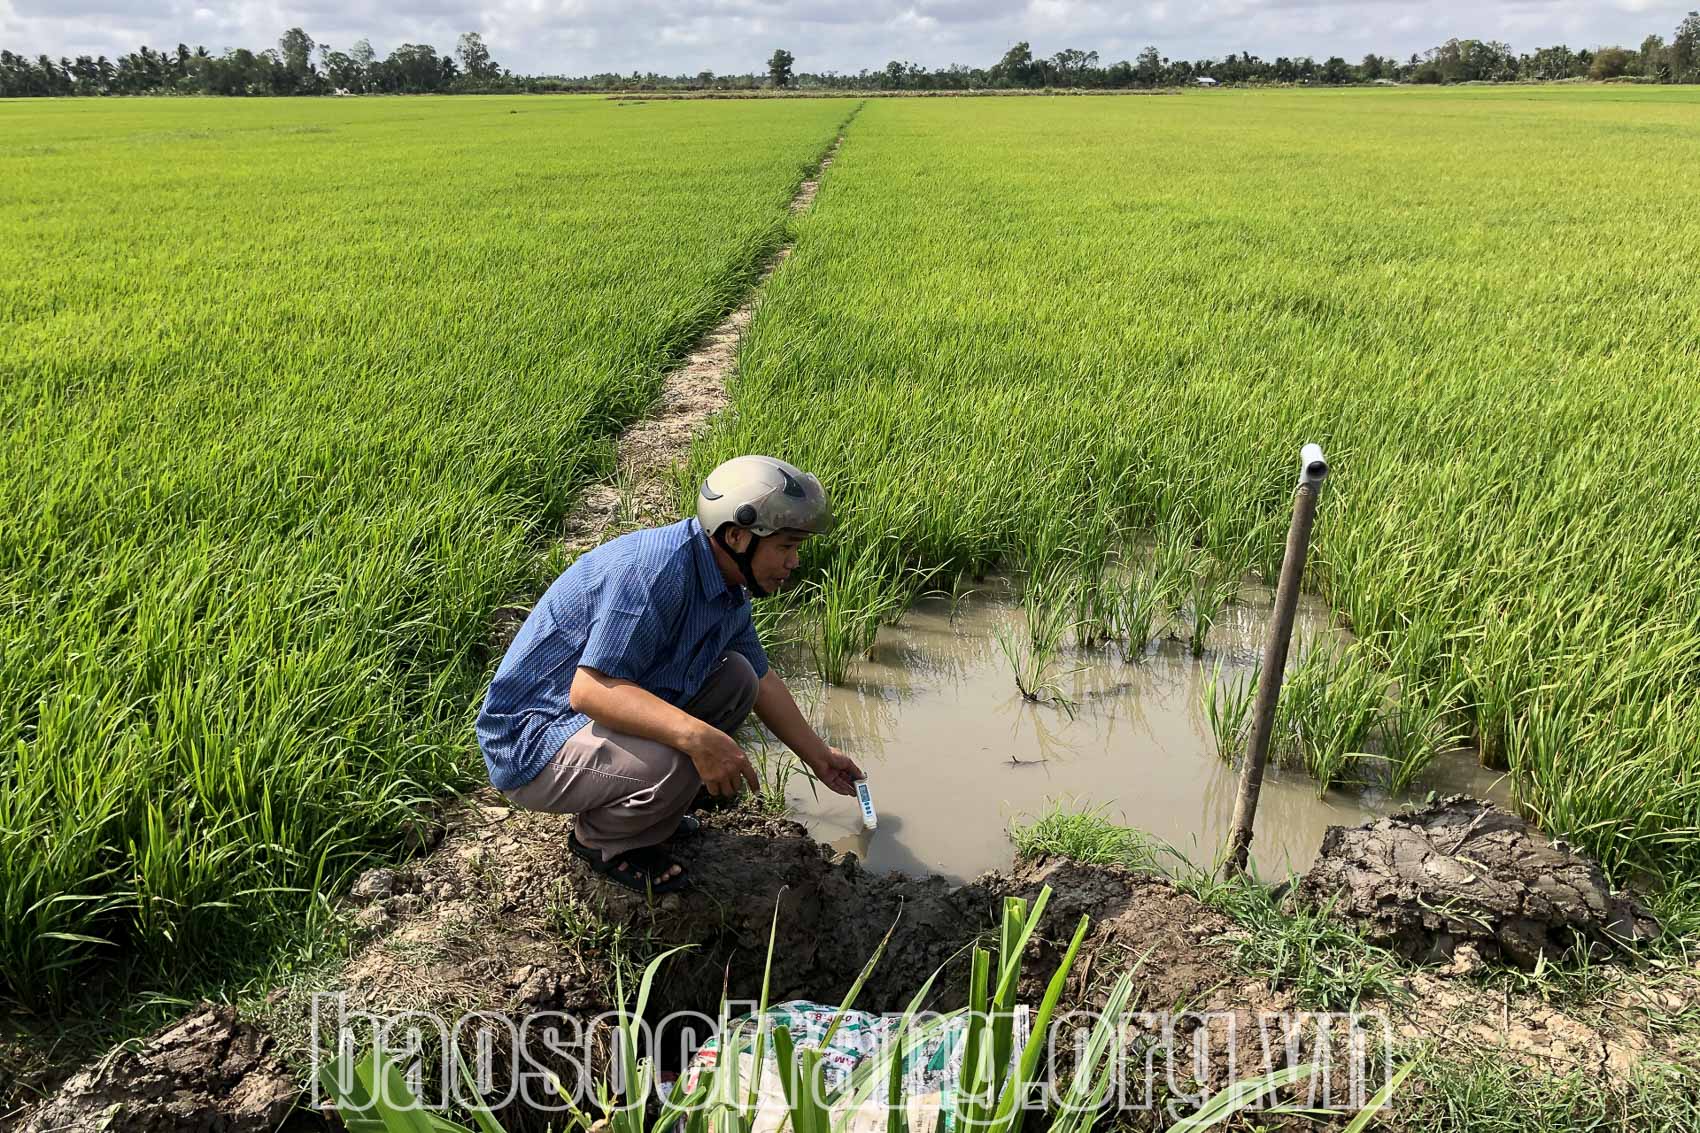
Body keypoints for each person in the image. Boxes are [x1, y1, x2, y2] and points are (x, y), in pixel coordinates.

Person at [477, 455, 863, 894]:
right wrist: (699, 740)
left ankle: (656, 804)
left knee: (737, 676)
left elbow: (761, 679)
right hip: (533, 740)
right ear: (737, 535)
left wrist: (817, 756)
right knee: (684, 753)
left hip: (586, 724)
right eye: (786, 546)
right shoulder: (653, 573)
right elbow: (590, 691)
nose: (794, 562)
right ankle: (603, 843)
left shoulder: (726, 585)